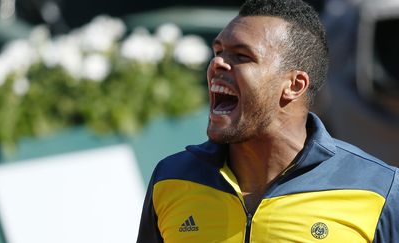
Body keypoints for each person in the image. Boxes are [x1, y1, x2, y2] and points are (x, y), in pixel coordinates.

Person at [136, 0, 399, 242]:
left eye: (241, 56)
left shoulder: (380, 189)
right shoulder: (170, 178)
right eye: (217, 51)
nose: (217, 63)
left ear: (295, 85)